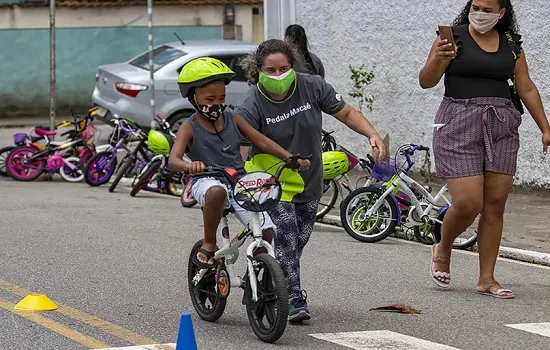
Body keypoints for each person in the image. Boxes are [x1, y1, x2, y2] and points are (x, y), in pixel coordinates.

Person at [236, 39, 386, 322]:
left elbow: (347, 113)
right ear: (258, 71)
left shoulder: (313, 86)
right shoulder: (251, 104)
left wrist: (372, 134)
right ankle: (293, 297)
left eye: (284, 68)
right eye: (271, 70)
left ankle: (260, 273)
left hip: (308, 178)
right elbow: (242, 146)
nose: (278, 75)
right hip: (271, 180)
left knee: (298, 240)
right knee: (287, 234)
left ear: (292, 66)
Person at [419, 0, 550, 298]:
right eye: (476, 6)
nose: (480, 13)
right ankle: (444, 245)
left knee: (495, 204)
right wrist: (439, 59)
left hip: (502, 125)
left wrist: (545, 127)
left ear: (502, 13)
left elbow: (526, 86)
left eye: (488, 9)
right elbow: (426, 81)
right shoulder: (451, 37)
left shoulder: (511, 44)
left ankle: (487, 279)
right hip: (458, 123)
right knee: (468, 202)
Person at [168, 57, 310, 269]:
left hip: (237, 180)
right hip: (206, 181)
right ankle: (209, 242)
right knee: (217, 192)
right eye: (209, 99)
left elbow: (260, 139)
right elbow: (173, 160)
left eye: (221, 98)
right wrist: (189, 166)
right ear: (192, 97)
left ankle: (261, 277)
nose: (216, 104)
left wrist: (289, 157)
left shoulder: (232, 117)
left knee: (267, 230)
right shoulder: (189, 128)